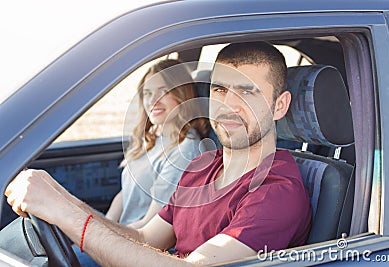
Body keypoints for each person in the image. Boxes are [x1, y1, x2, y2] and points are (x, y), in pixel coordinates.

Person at [5, 42, 312, 266]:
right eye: (220, 90)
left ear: (279, 106)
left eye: (247, 92)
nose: (228, 104)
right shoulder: (201, 166)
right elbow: (144, 240)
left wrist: (66, 215)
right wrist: (60, 198)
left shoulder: (276, 191)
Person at [75, 59, 210, 265]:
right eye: (147, 93)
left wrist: (98, 236)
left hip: (139, 248)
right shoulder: (152, 138)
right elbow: (124, 194)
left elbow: (150, 228)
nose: (152, 100)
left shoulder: (185, 150)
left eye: (163, 91)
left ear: (182, 95)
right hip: (122, 234)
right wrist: (100, 227)